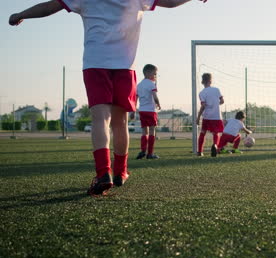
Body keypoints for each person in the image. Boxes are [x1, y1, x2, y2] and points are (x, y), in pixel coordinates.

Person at [9, 0, 208, 196]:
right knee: (120, 122)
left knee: (100, 119)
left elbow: (51, 6)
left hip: (95, 64)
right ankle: (121, 172)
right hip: (124, 67)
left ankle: (104, 173)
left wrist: (20, 15)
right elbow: (171, 2)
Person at [134, 64, 161, 160]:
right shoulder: (151, 84)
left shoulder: (139, 85)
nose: (155, 76)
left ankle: (143, 150)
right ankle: (150, 153)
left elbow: (135, 99)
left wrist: (133, 110)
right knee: (152, 130)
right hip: (150, 111)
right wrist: (158, 104)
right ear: (147, 73)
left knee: (144, 131)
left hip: (142, 111)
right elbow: (154, 96)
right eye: (154, 74)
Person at [196, 73, 224, 157]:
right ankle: (215, 145)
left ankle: (200, 151)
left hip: (207, 116)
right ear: (210, 80)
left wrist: (198, 117)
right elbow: (222, 101)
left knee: (203, 132)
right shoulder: (216, 90)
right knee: (216, 133)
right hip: (216, 116)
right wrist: (215, 104)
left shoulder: (202, 93)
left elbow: (203, 106)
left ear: (202, 81)